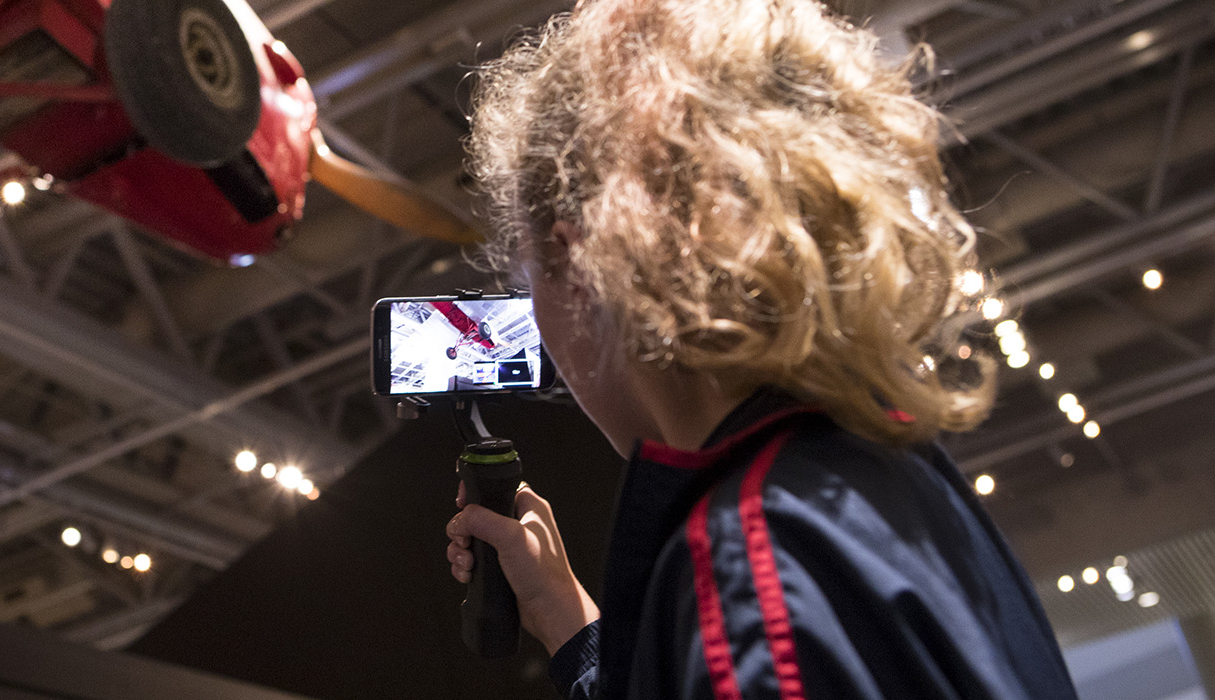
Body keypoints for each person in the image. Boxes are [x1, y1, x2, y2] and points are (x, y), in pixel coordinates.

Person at [444, 0, 1079, 698]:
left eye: (528, 276)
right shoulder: (896, 477)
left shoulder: (755, 579)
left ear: (588, 262)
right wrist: (571, 625)